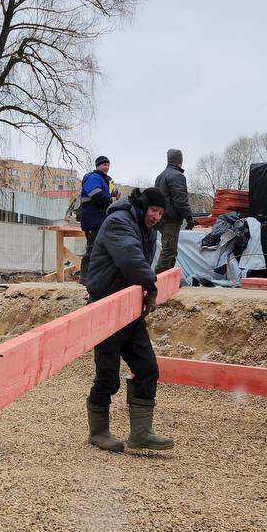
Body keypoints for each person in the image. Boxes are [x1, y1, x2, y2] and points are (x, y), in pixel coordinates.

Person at [80, 187, 175, 453]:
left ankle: (141, 433)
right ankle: (98, 432)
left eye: (160, 213)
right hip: (106, 308)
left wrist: (145, 288)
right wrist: (151, 286)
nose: (157, 217)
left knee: (148, 369)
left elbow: (139, 264)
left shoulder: (146, 228)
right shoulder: (118, 222)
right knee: (108, 377)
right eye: (154, 211)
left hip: (129, 310)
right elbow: (131, 259)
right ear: (144, 206)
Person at [153, 148, 196, 272]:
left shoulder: (160, 176)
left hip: (161, 218)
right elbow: (180, 199)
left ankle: (165, 280)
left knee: (169, 248)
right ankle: (158, 280)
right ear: (180, 161)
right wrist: (189, 217)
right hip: (171, 219)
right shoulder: (177, 176)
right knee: (169, 251)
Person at [77, 155, 115, 279]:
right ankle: (85, 278)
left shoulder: (103, 180)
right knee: (92, 249)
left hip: (99, 220)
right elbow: (96, 196)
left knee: (98, 250)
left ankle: (94, 277)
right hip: (94, 220)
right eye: (104, 165)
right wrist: (112, 200)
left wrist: (112, 195)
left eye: (108, 165)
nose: (107, 167)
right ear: (98, 166)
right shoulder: (94, 178)